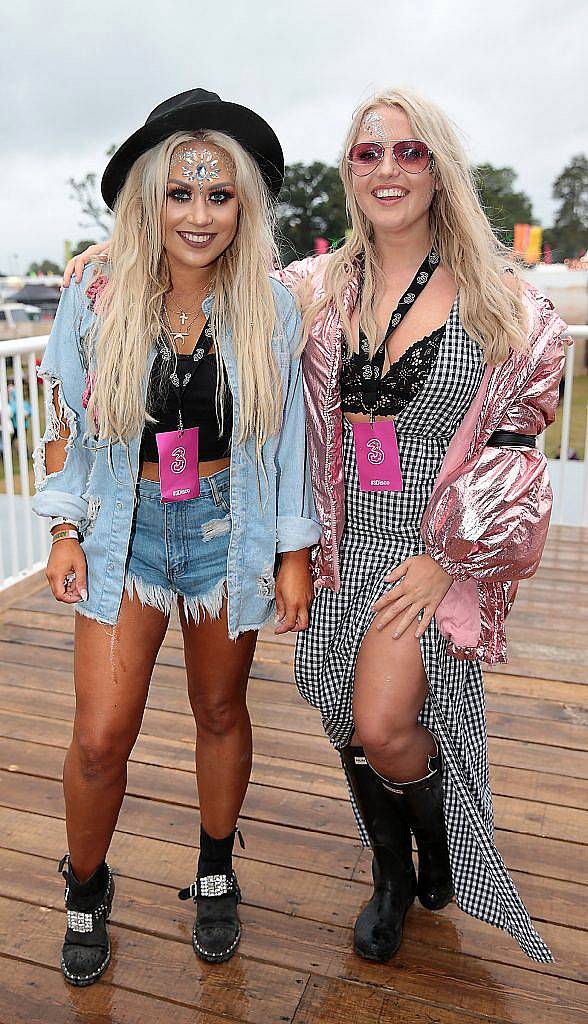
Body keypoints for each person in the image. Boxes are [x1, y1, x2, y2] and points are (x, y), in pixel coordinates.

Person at [64, 88, 568, 966]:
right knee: (298, 716)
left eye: (411, 153)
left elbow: (508, 448)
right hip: (237, 539)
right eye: (369, 154)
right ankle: (99, 883)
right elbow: (94, 397)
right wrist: (124, 235)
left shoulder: (472, 302)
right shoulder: (281, 289)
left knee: (336, 718)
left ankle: (368, 860)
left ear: (441, 168)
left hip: (366, 545)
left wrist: (433, 556)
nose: (389, 169)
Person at [33, 88, 320, 987]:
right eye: (181, 193)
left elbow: (289, 443)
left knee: (221, 711)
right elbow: (66, 414)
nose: (200, 215)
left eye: (221, 195)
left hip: (227, 527)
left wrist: (294, 554)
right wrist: (66, 529)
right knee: (97, 738)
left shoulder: (271, 306)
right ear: (150, 195)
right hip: (124, 528)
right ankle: (86, 887)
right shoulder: (95, 288)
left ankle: (215, 868)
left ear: (245, 205)